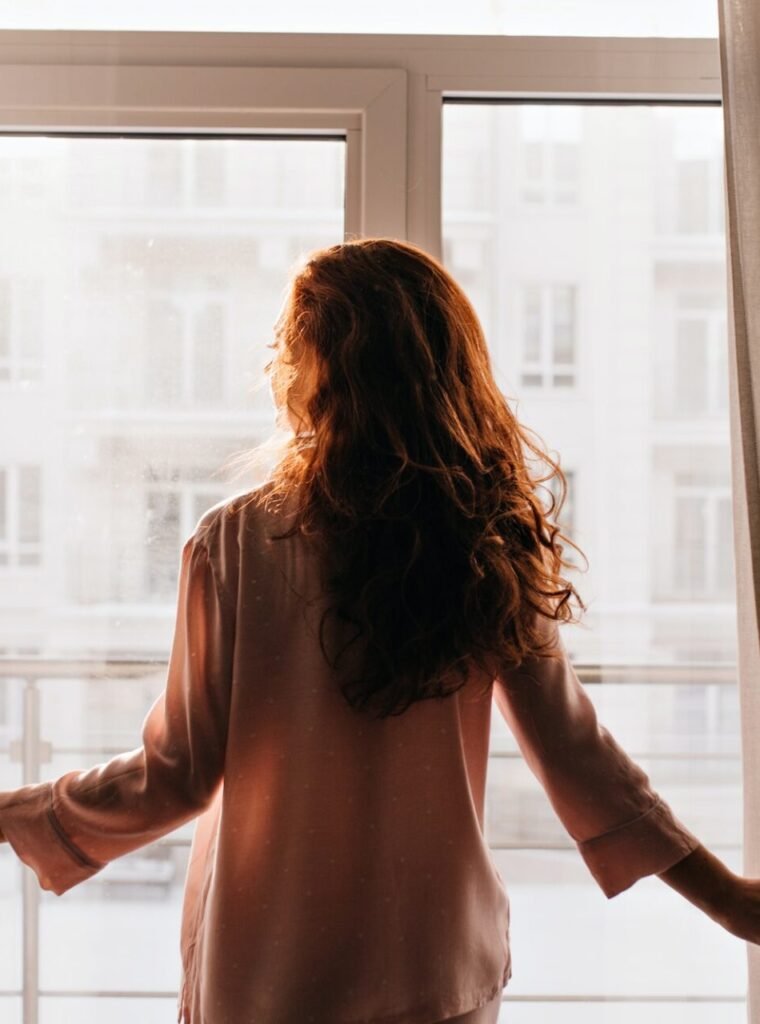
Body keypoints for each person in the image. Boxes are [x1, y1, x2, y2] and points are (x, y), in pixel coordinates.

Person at [0, 237, 757, 1024]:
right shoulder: (481, 543)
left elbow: (175, 775)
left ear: (324, 366)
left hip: (272, 978)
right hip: (436, 972)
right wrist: (727, 899)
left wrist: (15, 811)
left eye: (285, 344)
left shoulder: (234, 546)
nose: (273, 367)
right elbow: (578, 756)